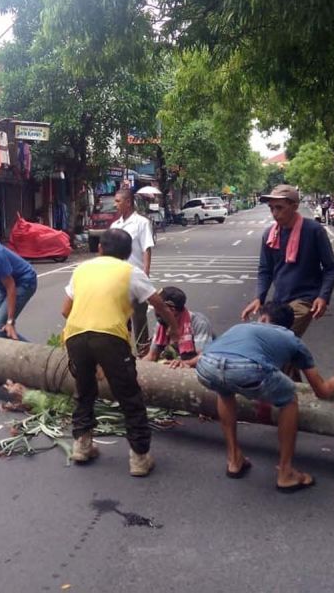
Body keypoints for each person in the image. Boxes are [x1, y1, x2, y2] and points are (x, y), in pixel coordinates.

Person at [172, 302, 334, 490]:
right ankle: (285, 472)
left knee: (224, 390)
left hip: (207, 367)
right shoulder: (292, 339)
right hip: (247, 370)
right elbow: (321, 391)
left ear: (263, 318)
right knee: (289, 399)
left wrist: (187, 363)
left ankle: (234, 459)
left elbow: (212, 353)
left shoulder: (239, 328)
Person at [61, 228, 180, 477]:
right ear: (127, 254)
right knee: (129, 397)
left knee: (84, 391)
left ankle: (82, 446)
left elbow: (65, 310)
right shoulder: (131, 272)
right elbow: (157, 303)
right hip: (110, 338)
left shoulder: (81, 269)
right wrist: (174, 328)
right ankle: (139, 458)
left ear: (100, 248)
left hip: (74, 335)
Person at [241, 184, 334, 341]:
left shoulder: (314, 230)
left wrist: (323, 297)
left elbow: (330, 267)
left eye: (279, 208)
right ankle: (298, 365)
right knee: (278, 345)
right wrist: (259, 297)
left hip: (305, 299)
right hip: (280, 299)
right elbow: (265, 270)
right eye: (271, 208)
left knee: (278, 340)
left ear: (294, 206)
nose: (275, 213)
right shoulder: (269, 235)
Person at [109, 188, 155, 356]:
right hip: (117, 278)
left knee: (139, 318)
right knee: (120, 319)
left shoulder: (141, 223)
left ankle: (144, 353)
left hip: (135, 277)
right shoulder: (115, 225)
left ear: (128, 202)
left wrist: (146, 274)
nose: (115, 205)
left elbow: (146, 249)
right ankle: (123, 354)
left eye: (118, 201)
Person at [145, 286, 215, 362]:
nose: (155, 311)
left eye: (159, 308)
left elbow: (204, 357)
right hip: (180, 360)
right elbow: (152, 355)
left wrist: (186, 363)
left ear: (172, 310)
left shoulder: (199, 323)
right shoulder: (162, 324)